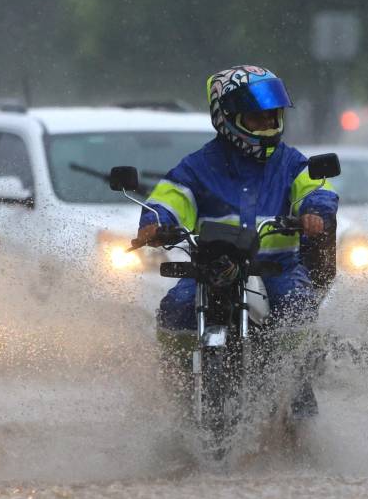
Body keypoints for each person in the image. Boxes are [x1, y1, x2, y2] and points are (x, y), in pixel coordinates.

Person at [132, 65, 339, 419]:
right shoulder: (196, 166)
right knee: (175, 308)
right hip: (209, 268)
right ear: (226, 118)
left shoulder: (292, 163)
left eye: (271, 116)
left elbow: (317, 190)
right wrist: (155, 222)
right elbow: (171, 197)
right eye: (257, 119)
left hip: (278, 267)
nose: (268, 124)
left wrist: (314, 213)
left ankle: (297, 390)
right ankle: (178, 395)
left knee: (296, 305)